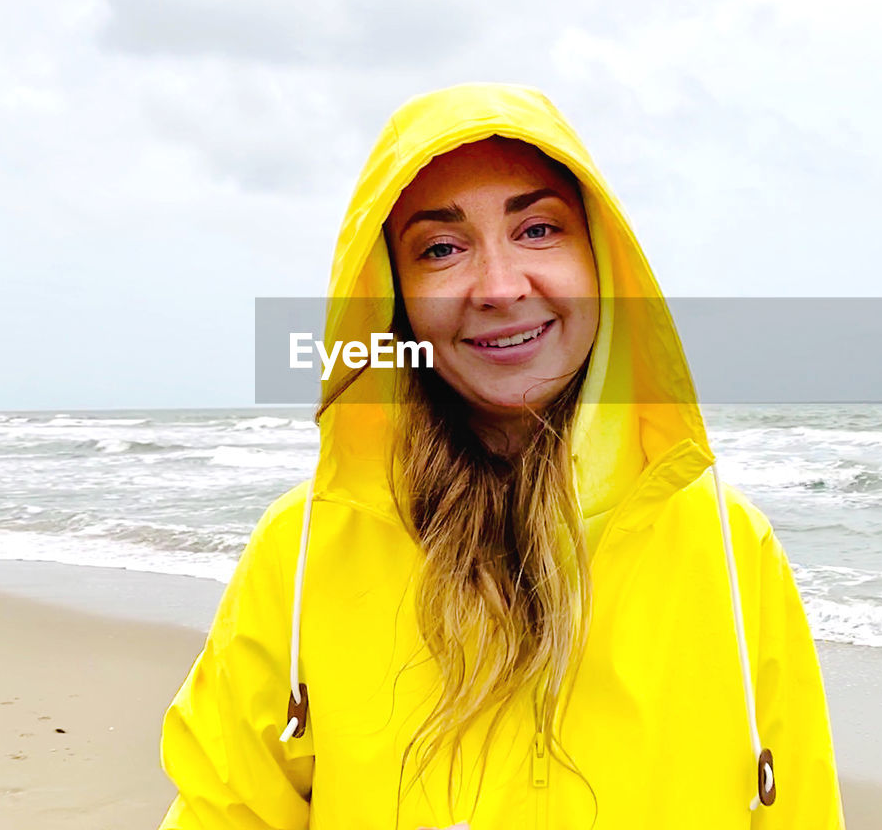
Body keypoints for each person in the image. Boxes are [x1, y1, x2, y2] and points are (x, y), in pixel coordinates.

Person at [156, 82, 846, 829]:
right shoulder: (304, 551)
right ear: (394, 299)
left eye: (539, 230)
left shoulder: (729, 548)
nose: (500, 286)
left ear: (603, 262)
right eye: (442, 249)